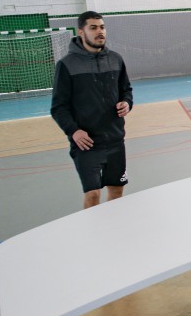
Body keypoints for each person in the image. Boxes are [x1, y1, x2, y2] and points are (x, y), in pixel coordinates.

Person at [51, 11, 134, 209]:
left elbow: (126, 90)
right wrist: (74, 131)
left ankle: (112, 231)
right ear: (81, 32)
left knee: (117, 190)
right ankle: (92, 235)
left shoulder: (116, 59)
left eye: (102, 27)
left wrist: (127, 103)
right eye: (93, 28)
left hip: (115, 140)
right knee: (93, 194)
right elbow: (58, 107)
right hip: (87, 144)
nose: (100, 32)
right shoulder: (66, 65)